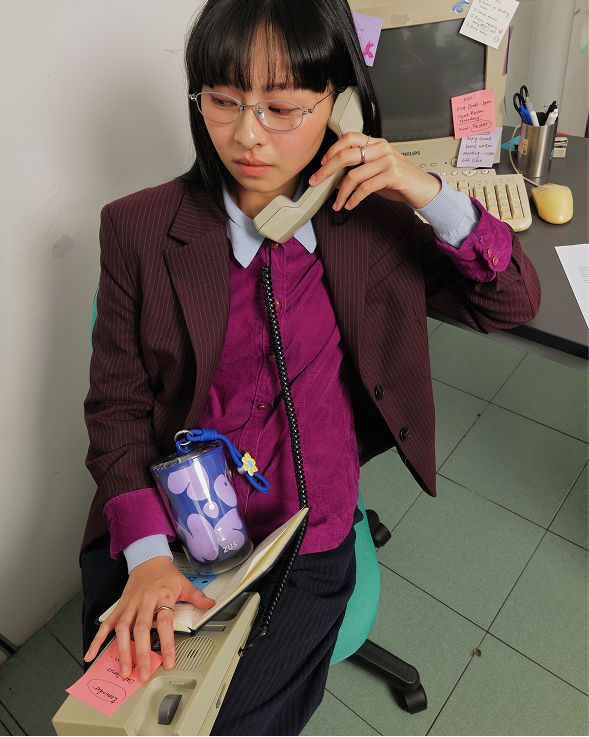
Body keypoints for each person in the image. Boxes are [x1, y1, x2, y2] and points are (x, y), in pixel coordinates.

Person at [80, 0, 541, 734]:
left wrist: (426, 192)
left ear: (340, 106)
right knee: (128, 718)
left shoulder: (373, 222)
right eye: (223, 101)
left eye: (283, 107)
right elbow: (117, 407)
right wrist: (144, 554)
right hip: (172, 522)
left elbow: (509, 301)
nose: (247, 135)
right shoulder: (138, 228)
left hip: (307, 528)